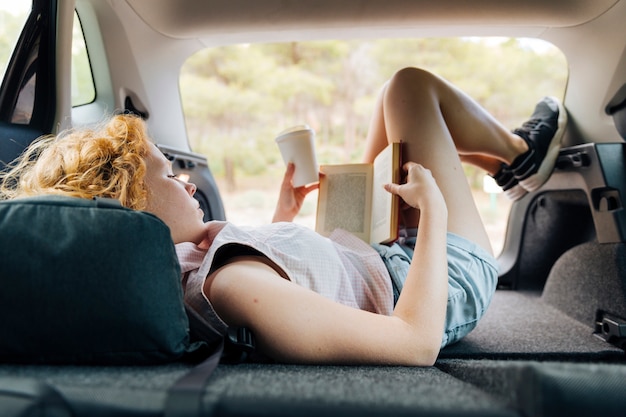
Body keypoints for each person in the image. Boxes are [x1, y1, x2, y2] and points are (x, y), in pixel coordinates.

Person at [0, 67, 566, 366]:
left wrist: (283, 216)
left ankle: (511, 152)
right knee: (408, 88)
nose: (189, 179)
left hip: (376, 263)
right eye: (169, 176)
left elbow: (273, 278)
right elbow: (415, 344)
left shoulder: (200, 264)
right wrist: (435, 214)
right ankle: (518, 158)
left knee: (391, 108)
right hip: (437, 283)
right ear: (133, 206)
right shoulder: (233, 284)